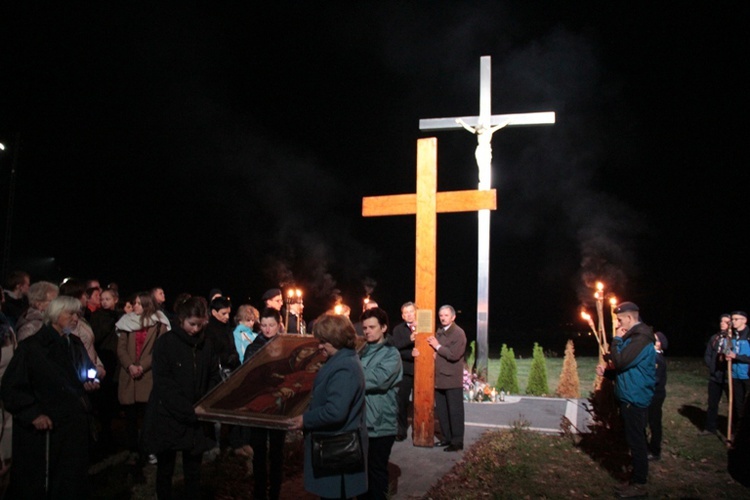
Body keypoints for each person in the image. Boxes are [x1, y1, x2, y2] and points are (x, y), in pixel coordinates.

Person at [0, 296, 99, 498]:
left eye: (78, 314)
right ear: (54, 315)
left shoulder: (74, 343)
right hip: (45, 436)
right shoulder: (32, 348)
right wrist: (32, 413)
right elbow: (12, 387)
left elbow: (85, 372)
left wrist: (90, 382)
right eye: (70, 313)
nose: (75, 318)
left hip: (72, 429)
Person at [143, 296, 221, 500]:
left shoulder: (207, 345)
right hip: (168, 415)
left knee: (193, 470)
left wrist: (206, 401)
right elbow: (164, 383)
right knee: (166, 469)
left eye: (199, 324)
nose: (195, 329)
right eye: (191, 324)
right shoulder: (166, 344)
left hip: (197, 416)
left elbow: (214, 375)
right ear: (181, 320)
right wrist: (188, 410)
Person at [289, 313, 368, 500]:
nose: (320, 346)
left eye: (324, 342)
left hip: (337, 451)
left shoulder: (344, 367)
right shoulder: (342, 360)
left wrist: (305, 420)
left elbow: (335, 412)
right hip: (335, 450)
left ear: (337, 339)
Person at [596, 301, 656, 498]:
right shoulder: (634, 338)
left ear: (630, 318)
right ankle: (635, 477)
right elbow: (626, 369)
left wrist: (616, 340)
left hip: (635, 397)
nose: (619, 324)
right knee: (632, 439)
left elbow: (621, 361)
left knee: (637, 441)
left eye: (620, 320)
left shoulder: (640, 339)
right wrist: (608, 373)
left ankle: (640, 484)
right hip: (629, 395)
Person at [116, 291, 171, 464]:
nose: (135, 306)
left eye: (139, 303)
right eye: (134, 303)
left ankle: (149, 448)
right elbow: (121, 348)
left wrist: (142, 366)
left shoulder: (159, 322)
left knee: (149, 416)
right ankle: (133, 450)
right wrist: (130, 366)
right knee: (130, 416)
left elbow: (159, 349)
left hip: (147, 375)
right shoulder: (126, 322)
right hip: (129, 374)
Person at [359, 307, 402, 500]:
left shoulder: (391, 355)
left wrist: (349, 374)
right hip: (361, 423)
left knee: (376, 473)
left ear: (384, 328)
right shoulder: (359, 352)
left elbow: (377, 379)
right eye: (365, 327)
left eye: (372, 327)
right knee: (360, 475)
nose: (367, 331)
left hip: (381, 425)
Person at [244, 307, 287, 499]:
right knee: (259, 451)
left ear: (279, 325)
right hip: (260, 404)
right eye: (264, 325)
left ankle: (275, 491)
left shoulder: (286, 345)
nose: (268, 329)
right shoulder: (254, 347)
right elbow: (248, 375)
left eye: (271, 325)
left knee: (277, 451)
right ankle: (260, 491)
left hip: (279, 404)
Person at [414, 305, 466, 452]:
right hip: (439, 378)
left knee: (455, 411)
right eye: (441, 315)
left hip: (451, 379)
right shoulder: (439, 331)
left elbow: (454, 354)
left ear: (453, 317)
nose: (443, 318)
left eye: (446, 315)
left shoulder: (458, 333)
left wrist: (438, 347)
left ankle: (457, 442)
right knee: (442, 411)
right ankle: (447, 438)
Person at [390, 301, 417, 441]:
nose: (409, 315)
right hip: (405, 370)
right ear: (402, 316)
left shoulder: (425, 326)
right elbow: (395, 348)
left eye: (411, 311)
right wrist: (409, 340)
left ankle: (420, 429)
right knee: (402, 401)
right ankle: (401, 430)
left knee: (420, 401)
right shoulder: (398, 329)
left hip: (421, 371)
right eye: (406, 313)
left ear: (416, 312)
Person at [702, 314, 732, 435]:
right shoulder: (715, 338)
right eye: (721, 321)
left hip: (728, 377)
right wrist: (712, 367)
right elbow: (708, 354)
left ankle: (732, 429)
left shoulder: (732, 339)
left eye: (726, 322)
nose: (722, 323)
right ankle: (710, 427)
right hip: (715, 377)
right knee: (712, 403)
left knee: (733, 405)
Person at [725, 311, 750, 435]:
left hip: (747, 375)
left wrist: (737, 356)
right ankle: (738, 432)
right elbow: (726, 350)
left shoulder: (749, 335)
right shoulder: (731, 336)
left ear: (744, 320)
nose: (733, 321)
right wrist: (726, 355)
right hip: (734, 375)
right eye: (732, 319)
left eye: (736, 319)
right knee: (737, 405)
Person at [205, 296, 239, 375]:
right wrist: (226, 359)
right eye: (223, 313)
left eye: (228, 313)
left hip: (232, 369)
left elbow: (232, 346)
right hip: (218, 373)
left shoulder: (227, 327)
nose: (227, 317)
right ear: (214, 312)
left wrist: (234, 356)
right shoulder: (209, 331)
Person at [647, 331, 668, 461]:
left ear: (660, 344)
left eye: (654, 340)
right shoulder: (653, 356)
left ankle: (655, 451)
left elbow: (655, 379)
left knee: (654, 422)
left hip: (655, 394)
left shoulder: (656, 358)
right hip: (653, 393)